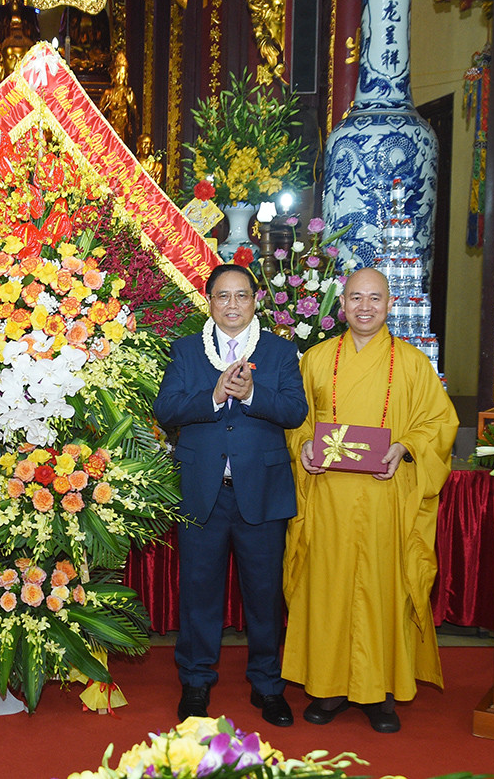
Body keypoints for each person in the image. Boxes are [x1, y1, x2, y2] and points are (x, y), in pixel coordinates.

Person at [281, 268, 457, 733]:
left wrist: (405, 448)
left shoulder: (415, 364)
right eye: (356, 297)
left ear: (390, 303)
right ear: (342, 304)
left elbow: (439, 425)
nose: (364, 307)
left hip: (386, 499)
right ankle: (330, 686)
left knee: (384, 590)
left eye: (374, 298)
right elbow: (295, 419)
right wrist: (302, 447)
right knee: (329, 590)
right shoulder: (315, 360)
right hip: (328, 500)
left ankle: (381, 692)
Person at [153, 263, 307, 727]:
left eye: (242, 296)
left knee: (263, 595)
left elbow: (296, 411)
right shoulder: (185, 351)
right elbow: (166, 409)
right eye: (223, 296)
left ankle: (267, 686)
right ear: (209, 301)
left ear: (255, 300)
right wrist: (215, 395)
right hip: (204, 493)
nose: (233, 305)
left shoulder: (280, 352)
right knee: (199, 594)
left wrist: (255, 392)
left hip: (261, 492)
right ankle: (196, 684)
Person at [98, 52, 138, 146]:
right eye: (117, 74)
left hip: (123, 126)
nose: (120, 77)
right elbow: (99, 113)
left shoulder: (128, 92)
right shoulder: (108, 93)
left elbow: (135, 114)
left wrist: (130, 102)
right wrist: (108, 106)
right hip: (111, 125)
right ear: (113, 76)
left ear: (126, 76)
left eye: (122, 74)